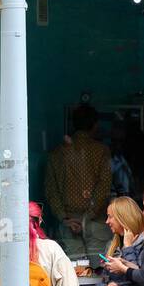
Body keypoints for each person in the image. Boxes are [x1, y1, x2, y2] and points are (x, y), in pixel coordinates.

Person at [44, 103, 113, 258]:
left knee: (75, 272)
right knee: (101, 270)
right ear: (95, 125)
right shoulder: (101, 151)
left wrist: (64, 217)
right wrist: (87, 217)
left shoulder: (57, 153)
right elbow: (104, 186)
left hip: (69, 221)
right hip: (96, 221)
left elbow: (51, 190)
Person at [82, 196, 144, 286]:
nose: (106, 221)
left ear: (123, 218)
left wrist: (129, 247)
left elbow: (143, 276)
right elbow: (106, 279)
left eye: (110, 217)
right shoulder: (114, 244)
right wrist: (108, 285)